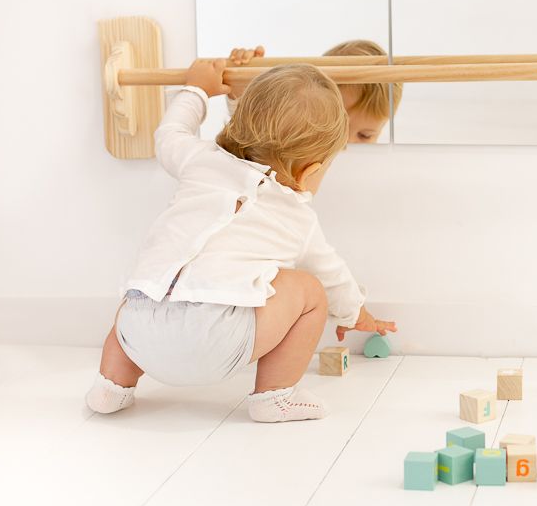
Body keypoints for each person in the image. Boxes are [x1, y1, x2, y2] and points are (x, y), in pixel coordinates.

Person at [85, 59, 396, 422]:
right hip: (215, 343)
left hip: (137, 335)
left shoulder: (199, 160)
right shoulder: (298, 216)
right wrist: (357, 314)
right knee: (311, 291)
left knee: (146, 286)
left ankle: (111, 385)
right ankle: (274, 396)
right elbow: (335, 277)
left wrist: (196, 88)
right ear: (310, 170)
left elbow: (169, 134)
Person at [227, 40, 403, 143]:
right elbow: (256, 136)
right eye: (336, 128)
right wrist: (244, 90)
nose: (346, 143)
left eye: (364, 136)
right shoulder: (299, 142)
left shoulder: (374, 166)